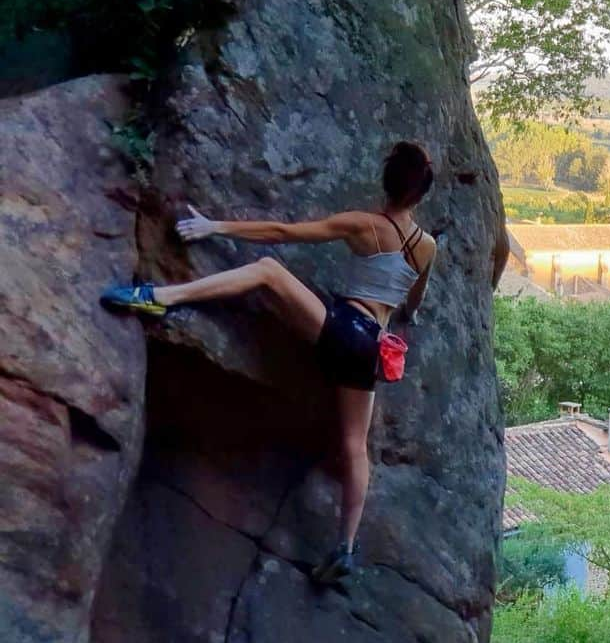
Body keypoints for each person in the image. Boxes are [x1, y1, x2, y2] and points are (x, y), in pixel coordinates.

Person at [101, 141, 437, 584]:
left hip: (343, 327)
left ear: (386, 183)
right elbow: (415, 300)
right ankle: (345, 546)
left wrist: (213, 226)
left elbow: (283, 232)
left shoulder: (365, 225)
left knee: (267, 271)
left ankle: (160, 297)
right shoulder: (427, 246)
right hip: (373, 349)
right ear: (420, 195)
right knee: (355, 446)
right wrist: (400, 303)